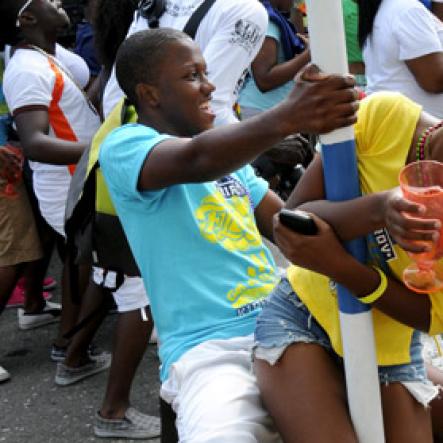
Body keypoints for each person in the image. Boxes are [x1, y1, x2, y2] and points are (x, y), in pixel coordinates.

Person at [98, 28, 358, 441]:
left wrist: (338, 140)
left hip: (290, 323)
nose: (210, 85)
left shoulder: (228, 158)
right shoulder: (124, 146)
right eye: (192, 75)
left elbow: (289, 222)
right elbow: (197, 160)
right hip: (211, 351)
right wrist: (291, 114)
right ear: (149, 95)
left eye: (205, 71)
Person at [253, 91, 443, 442]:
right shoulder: (386, 118)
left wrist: (347, 270)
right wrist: (380, 209)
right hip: (302, 320)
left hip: (390, 350)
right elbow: (291, 222)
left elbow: (431, 315)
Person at [1, 0, 109, 383]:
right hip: (66, 182)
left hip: (79, 176)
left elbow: (78, 100)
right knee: (95, 262)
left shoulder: (48, 55)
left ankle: (68, 342)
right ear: (26, 19)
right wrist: (107, 148)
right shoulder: (26, 69)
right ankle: (74, 356)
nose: (60, 1)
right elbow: (34, 142)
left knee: (79, 260)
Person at [357, 0, 443, 118]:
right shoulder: (407, 10)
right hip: (416, 127)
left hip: (400, 123)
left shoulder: (389, 7)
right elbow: (434, 81)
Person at [238, 0, 310, 118]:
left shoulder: (272, 17)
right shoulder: (268, 21)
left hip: (272, 110)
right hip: (264, 111)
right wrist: (307, 55)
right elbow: (264, 80)